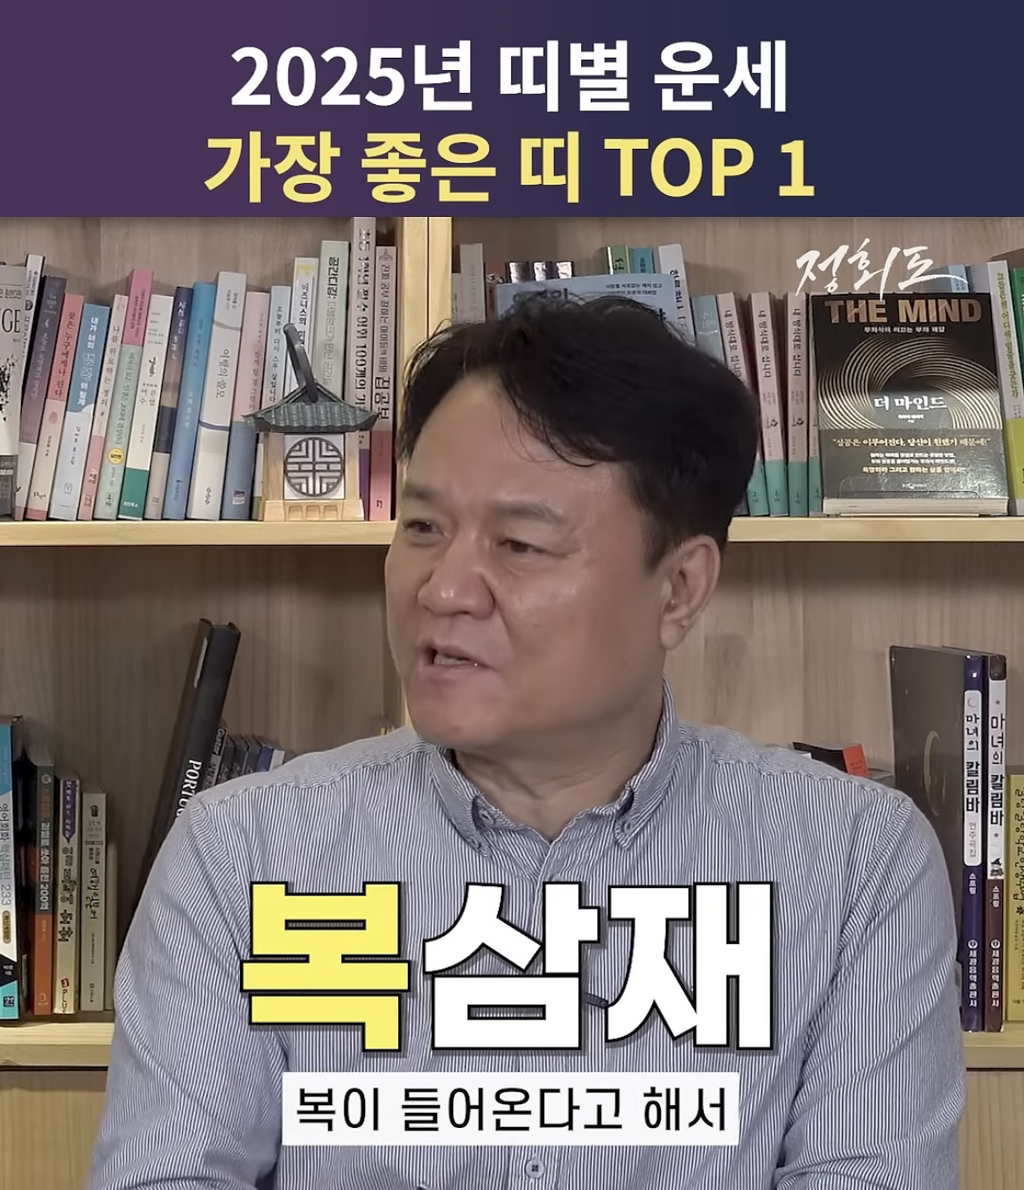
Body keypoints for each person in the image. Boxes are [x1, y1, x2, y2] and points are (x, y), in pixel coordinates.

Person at [89, 293, 965, 1190]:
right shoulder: (241, 855)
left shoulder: (854, 865)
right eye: (422, 528)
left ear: (679, 589)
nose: (443, 590)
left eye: (518, 543)